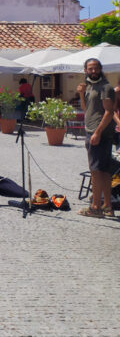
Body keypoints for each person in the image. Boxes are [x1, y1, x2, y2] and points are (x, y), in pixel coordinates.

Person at [77, 58, 119, 218]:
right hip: (92, 131)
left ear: (100, 69)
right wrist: (81, 94)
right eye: (90, 68)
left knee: (95, 171)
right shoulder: (90, 86)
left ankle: (95, 207)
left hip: (99, 133)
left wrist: (97, 132)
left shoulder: (105, 87)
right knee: (104, 171)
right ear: (85, 70)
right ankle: (107, 206)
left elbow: (109, 112)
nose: (93, 71)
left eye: (95, 68)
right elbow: (85, 108)